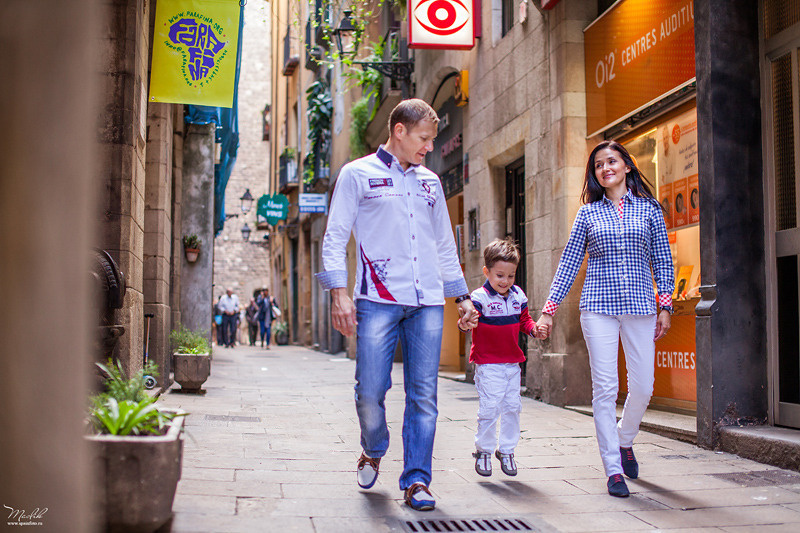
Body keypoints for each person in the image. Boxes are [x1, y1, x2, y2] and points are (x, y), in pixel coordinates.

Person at [315, 99, 477, 511]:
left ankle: (417, 480)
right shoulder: (357, 174)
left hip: (427, 302)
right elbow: (335, 238)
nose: (429, 147)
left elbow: (444, 244)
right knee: (370, 390)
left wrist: (461, 296)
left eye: (433, 140)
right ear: (399, 131)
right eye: (424, 138)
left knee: (424, 395)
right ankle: (374, 447)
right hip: (377, 301)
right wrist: (338, 294)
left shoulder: (431, 182)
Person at [535, 140, 674, 498]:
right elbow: (569, 263)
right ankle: (613, 468)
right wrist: (549, 309)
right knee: (605, 388)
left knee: (643, 387)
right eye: (598, 165)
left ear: (627, 165)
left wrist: (665, 305)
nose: (605, 168)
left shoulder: (649, 209)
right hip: (598, 308)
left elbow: (662, 259)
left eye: (611, 161)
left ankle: (624, 440)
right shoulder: (588, 214)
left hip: (641, 307)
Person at [457, 238, 538, 478]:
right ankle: (483, 450)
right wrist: (465, 323)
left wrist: (534, 329)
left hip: (512, 362)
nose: (505, 281)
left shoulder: (518, 295)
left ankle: (507, 450)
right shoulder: (478, 298)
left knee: (512, 407)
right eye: (500, 275)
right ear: (487, 272)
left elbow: (524, 320)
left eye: (511, 276)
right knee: (490, 407)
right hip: (488, 363)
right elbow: (466, 322)